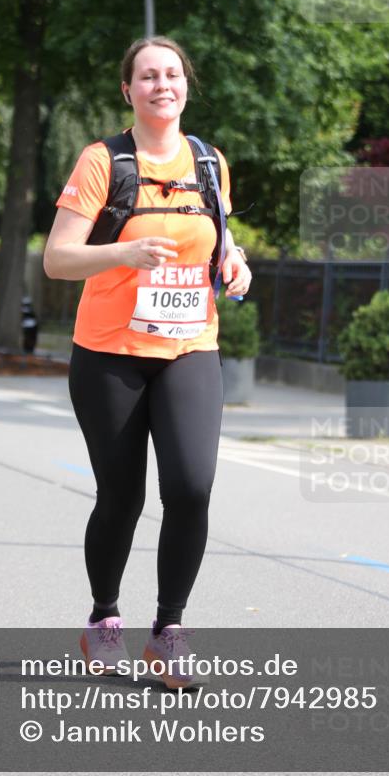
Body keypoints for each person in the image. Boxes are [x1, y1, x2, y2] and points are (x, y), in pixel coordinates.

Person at [43, 36, 251, 688]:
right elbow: (56, 259)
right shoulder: (103, 161)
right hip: (110, 353)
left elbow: (218, 237)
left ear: (185, 84)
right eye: (147, 76)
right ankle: (105, 617)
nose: (162, 85)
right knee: (122, 496)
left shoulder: (210, 162)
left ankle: (168, 632)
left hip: (190, 346)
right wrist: (122, 256)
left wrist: (234, 262)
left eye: (172, 74)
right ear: (127, 90)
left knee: (190, 487)